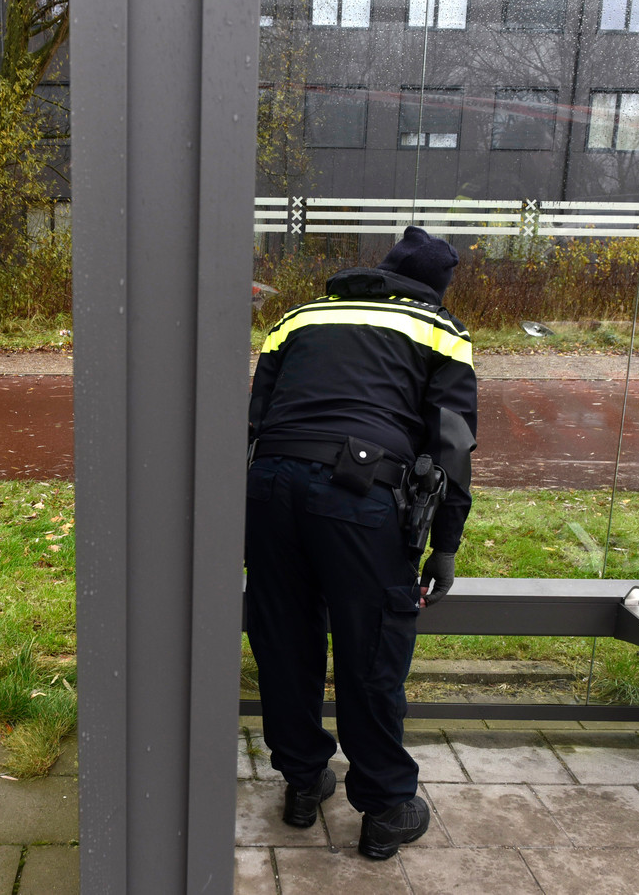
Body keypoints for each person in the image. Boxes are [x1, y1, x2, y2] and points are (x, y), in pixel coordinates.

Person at [244, 226, 477, 860]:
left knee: (284, 637)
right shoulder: (441, 331)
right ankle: (385, 809)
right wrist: (445, 545)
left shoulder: (298, 317)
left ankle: (302, 780)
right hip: (361, 497)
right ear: (433, 285)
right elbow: (452, 447)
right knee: (372, 648)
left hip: (266, 490)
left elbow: (254, 417)